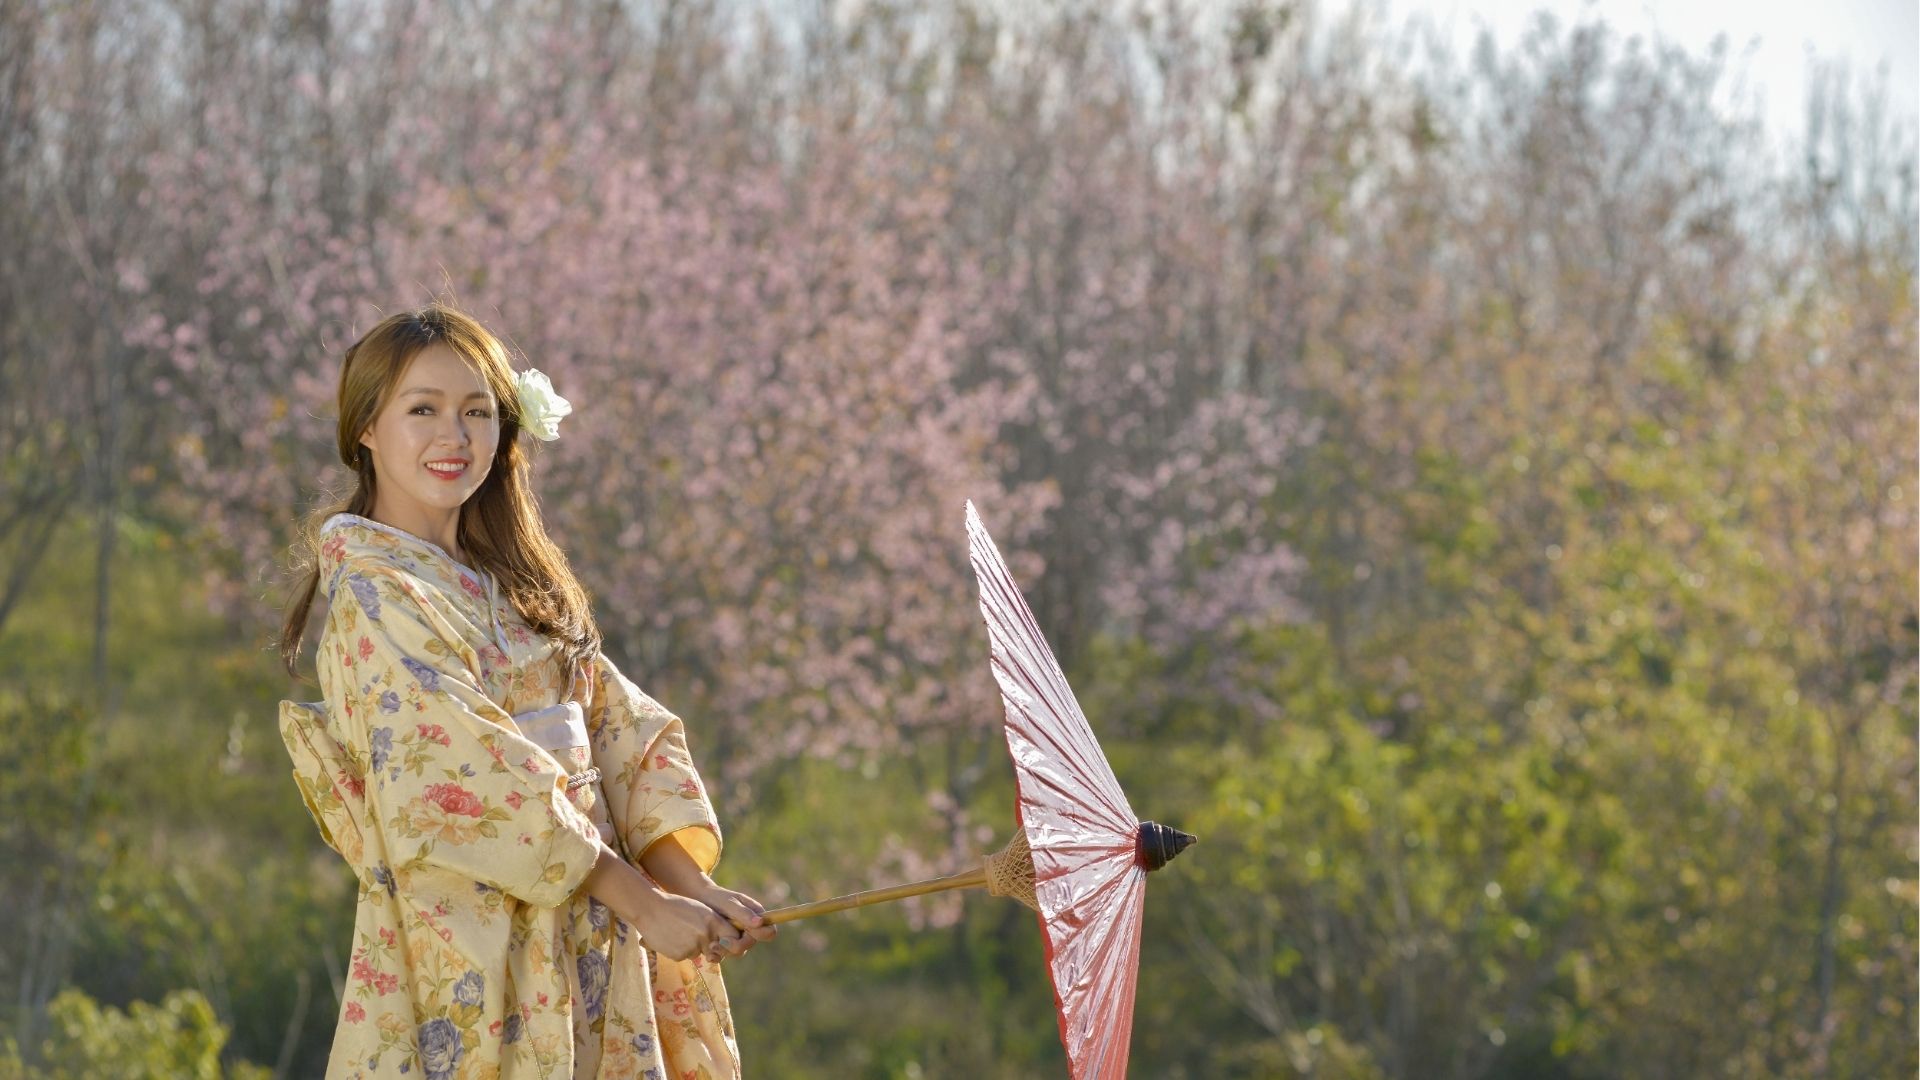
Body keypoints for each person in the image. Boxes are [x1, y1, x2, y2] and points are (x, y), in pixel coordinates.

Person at [275, 303, 773, 1079]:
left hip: (595, 914)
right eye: (423, 410)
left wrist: (688, 885)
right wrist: (640, 902)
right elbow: (466, 773)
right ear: (366, 428)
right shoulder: (376, 592)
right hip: (480, 935)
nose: (456, 436)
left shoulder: (510, 586)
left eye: (477, 411)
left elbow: (619, 727)